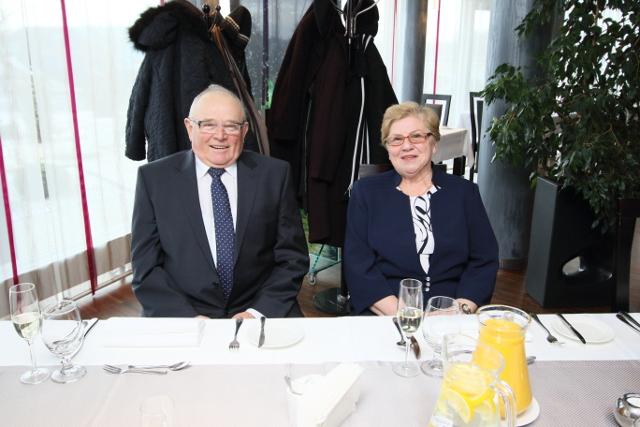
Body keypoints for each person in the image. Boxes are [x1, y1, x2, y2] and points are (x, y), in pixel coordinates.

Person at [131, 85, 309, 319]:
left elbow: (293, 259)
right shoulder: (154, 179)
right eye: (208, 124)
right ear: (190, 128)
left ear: (244, 131)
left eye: (231, 126)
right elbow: (145, 268)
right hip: (184, 312)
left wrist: (256, 312)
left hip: (259, 306)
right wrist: (188, 319)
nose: (220, 135)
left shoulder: (275, 175)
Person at [344, 101, 498, 315]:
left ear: (433, 144)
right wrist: (405, 314)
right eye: (396, 139)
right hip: (387, 311)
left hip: (452, 312)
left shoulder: (465, 193)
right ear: (388, 149)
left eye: (416, 136)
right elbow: (357, 265)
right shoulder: (366, 193)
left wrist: (459, 310)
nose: (406, 146)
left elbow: (484, 260)